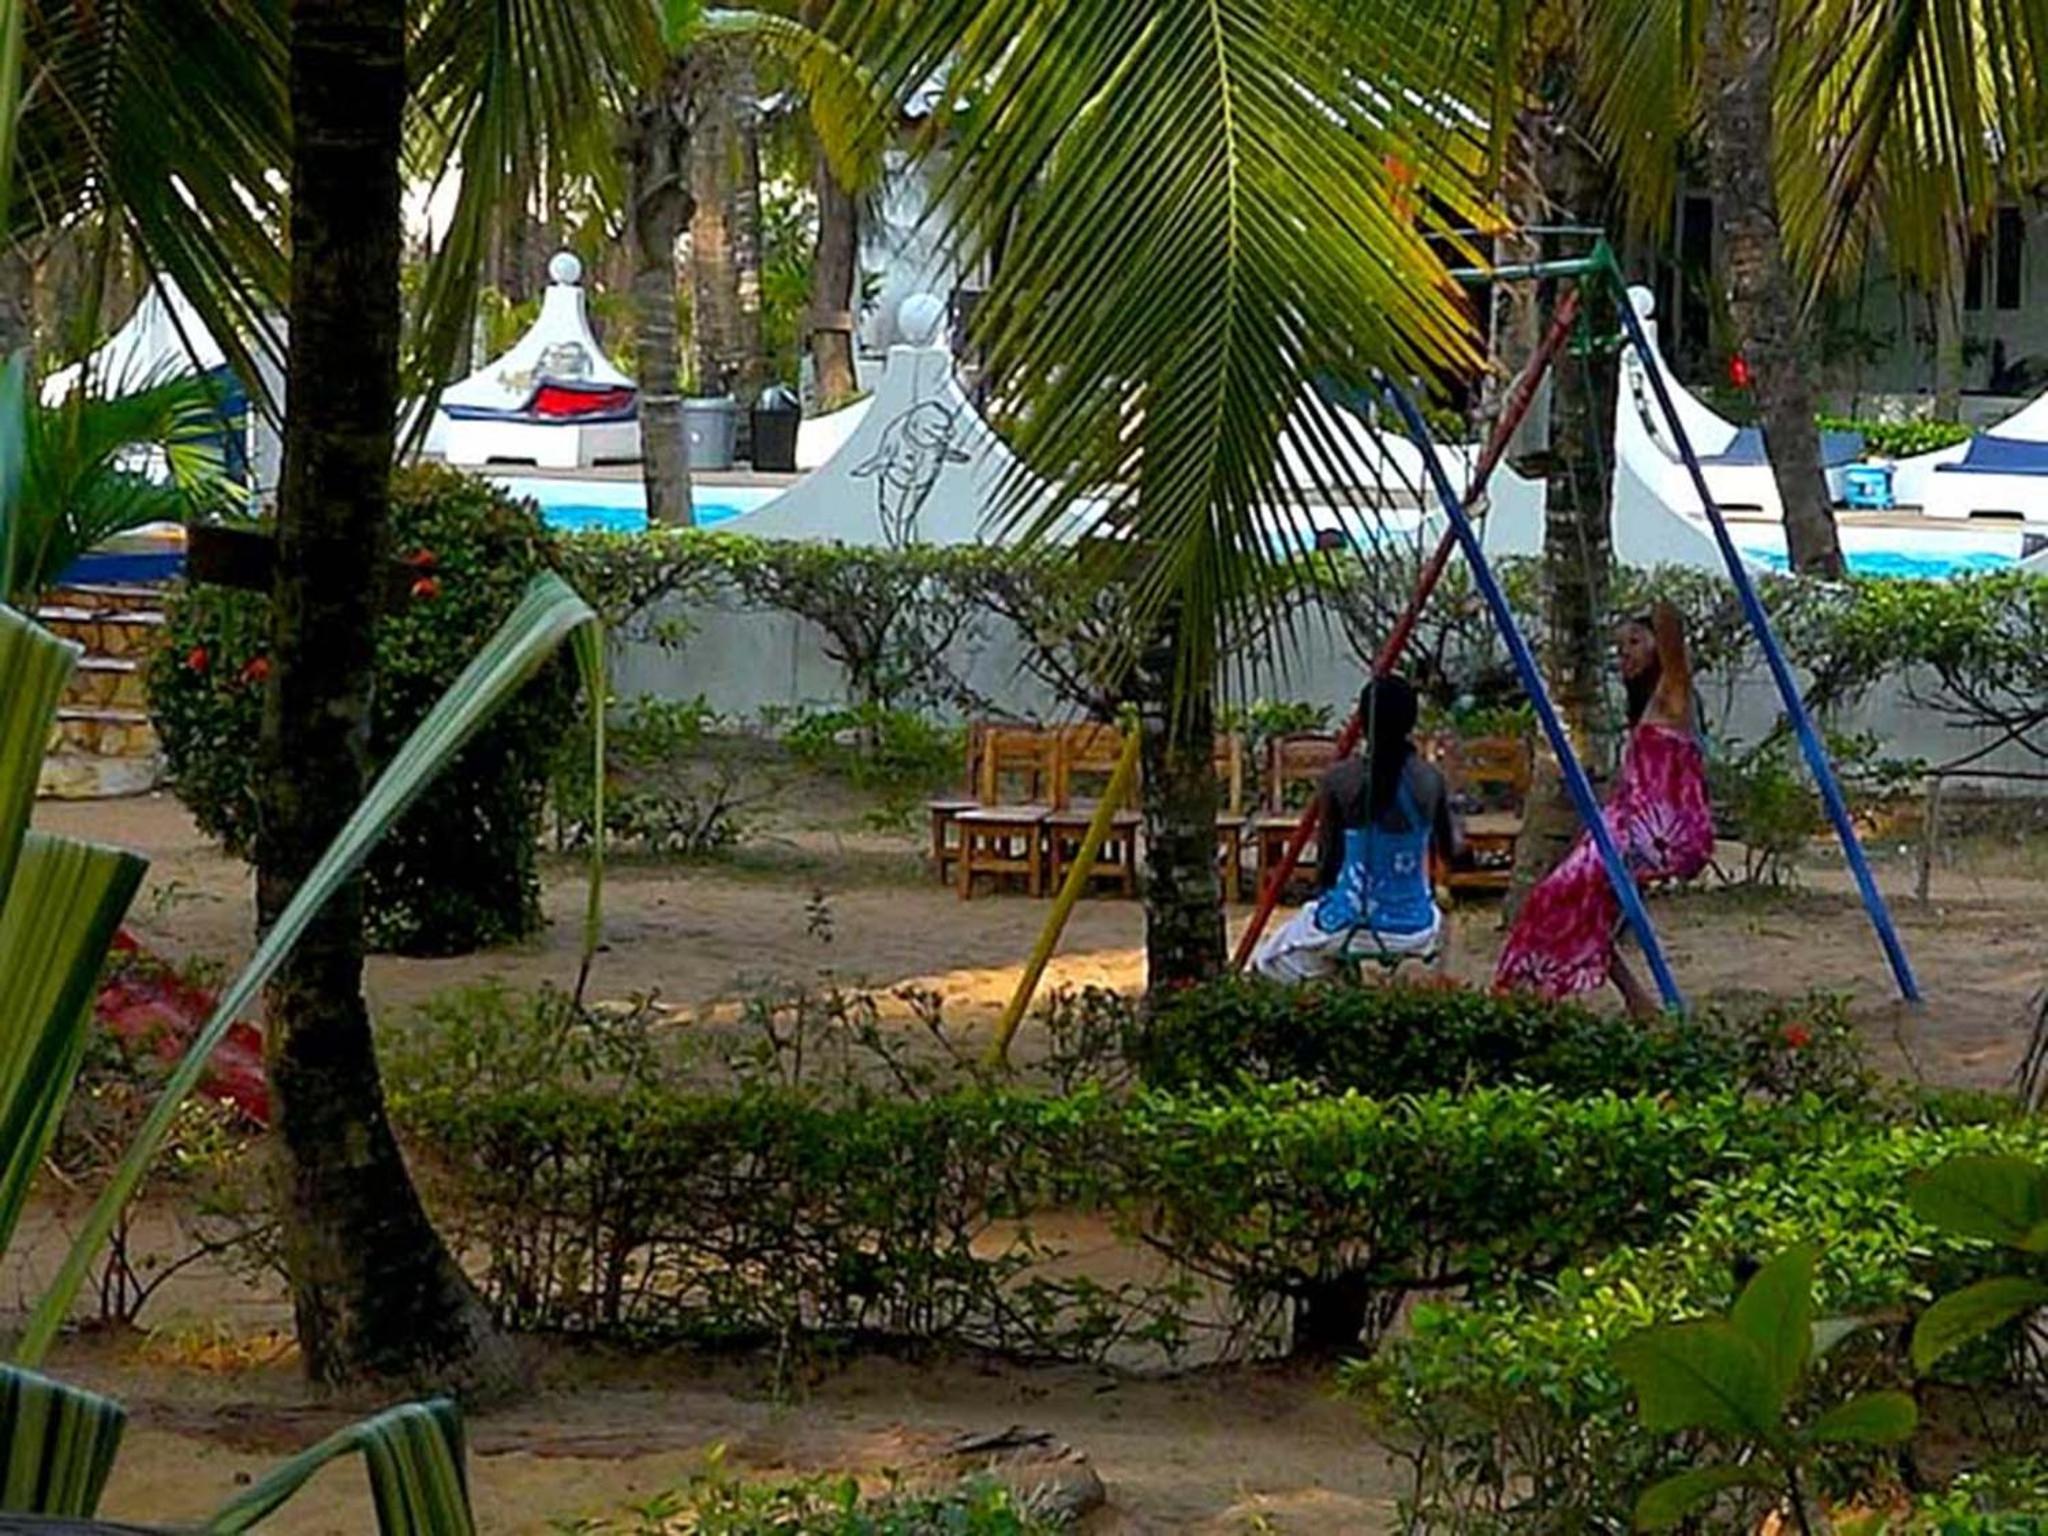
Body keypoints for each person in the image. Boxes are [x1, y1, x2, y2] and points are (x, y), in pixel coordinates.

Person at [1494, 600, 1714, 1016]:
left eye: (1635, 642)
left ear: (1658, 647)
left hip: (1661, 833)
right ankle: (1635, 1002)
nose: (1624, 653)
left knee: (1553, 898)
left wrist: (1660, 612)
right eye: (1619, 646)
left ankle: (1529, 993)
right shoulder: (1647, 711)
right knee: (1577, 906)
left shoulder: (1674, 695)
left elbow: (1671, 628)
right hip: (1632, 827)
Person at [1253, 673, 1464, 982]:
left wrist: (1324, 898)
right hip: (1415, 927)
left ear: (1362, 723)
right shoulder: (1430, 779)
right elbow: (1450, 848)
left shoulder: (1340, 780)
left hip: (1350, 923)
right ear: (1411, 722)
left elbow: (1328, 863)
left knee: (1269, 961)